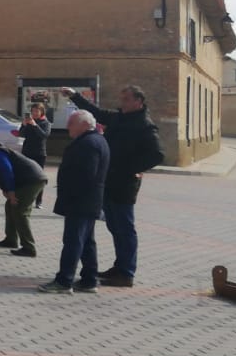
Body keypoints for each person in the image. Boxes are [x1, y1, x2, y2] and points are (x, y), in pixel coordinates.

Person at [63, 85, 164, 287]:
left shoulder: (144, 125)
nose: (122, 102)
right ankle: (120, 267)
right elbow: (97, 113)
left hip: (125, 184)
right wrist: (75, 96)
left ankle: (126, 272)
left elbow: (157, 154)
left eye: (126, 99)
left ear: (139, 102)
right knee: (114, 226)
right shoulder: (119, 117)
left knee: (125, 228)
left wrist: (131, 169)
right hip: (108, 182)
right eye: (122, 98)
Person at [39, 111, 110, 294]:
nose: (68, 126)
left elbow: (86, 174)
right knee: (86, 242)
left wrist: (71, 194)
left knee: (73, 241)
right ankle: (89, 280)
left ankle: (64, 281)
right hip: (87, 200)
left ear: (84, 124)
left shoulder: (88, 143)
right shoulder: (95, 140)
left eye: (71, 123)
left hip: (81, 201)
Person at [0, 141, 48, 257]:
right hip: (30, 179)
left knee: (20, 211)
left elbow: (6, 170)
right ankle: (11, 239)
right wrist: (5, 190)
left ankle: (29, 247)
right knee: (10, 206)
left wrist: (11, 191)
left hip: (31, 180)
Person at [17, 104, 52, 208]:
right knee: (25, 176)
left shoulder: (46, 123)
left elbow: (44, 135)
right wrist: (24, 125)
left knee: (38, 177)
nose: (34, 113)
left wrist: (35, 125)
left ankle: (39, 201)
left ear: (42, 112)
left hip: (39, 153)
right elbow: (21, 134)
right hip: (27, 152)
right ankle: (25, 198)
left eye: (37, 111)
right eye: (33, 111)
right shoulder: (28, 122)